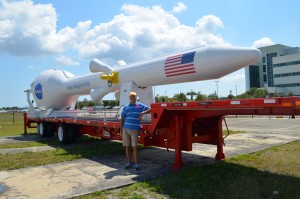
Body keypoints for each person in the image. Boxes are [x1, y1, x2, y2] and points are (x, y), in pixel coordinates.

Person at [120, 91, 151, 171]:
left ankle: (136, 164)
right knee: (127, 146)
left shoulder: (139, 106)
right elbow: (122, 118)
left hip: (135, 129)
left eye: (134, 97)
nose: (133, 98)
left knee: (135, 147)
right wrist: (121, 130)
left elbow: (151, 109)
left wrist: (142, 113)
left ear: (136, 98)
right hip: (125, 128)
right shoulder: (126, 107)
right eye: (131, 97)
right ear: (129, 98)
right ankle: (129, 162)